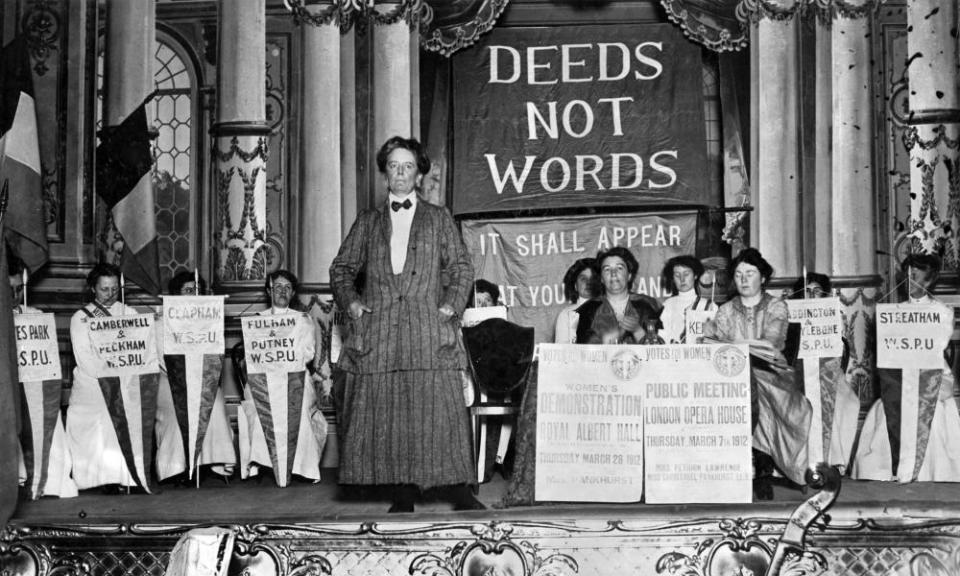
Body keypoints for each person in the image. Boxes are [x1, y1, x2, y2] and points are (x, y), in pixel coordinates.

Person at [330, 135, 480, 513]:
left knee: (441, 411)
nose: (399, 173)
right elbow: (341, 269)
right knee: (391, 413)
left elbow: (461, 267)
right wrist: (353, 305)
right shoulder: (367, 222)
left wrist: (450, 307)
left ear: (418, 176)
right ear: (384, 176)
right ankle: (402, 494)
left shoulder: (438, 218)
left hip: (429, 330)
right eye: (393, 166)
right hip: (380, 334)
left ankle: (461, 492)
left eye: (407, 166)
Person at [703, 248, 812, 498]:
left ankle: (760, 465)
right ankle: (747, 464)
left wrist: (732, 343)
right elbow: (714, 345)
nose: (743, 279)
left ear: (762, 278)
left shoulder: (777, 306)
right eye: (739, 274)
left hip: (772, 373)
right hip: (733, 376)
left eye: (750, 273)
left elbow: (772, 343)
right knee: (737, 385)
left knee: (751, 385)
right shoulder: (726, 309)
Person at [853, 254, 960, 482]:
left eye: (916, 275)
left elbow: (937, 346)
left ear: (929, 280)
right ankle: (889, 466)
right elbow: (887, 348)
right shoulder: (895, 310)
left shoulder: (942, 311)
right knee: (891, 398)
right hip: (900, 372)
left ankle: (928, 468)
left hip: (931, 373)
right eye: (907, 275)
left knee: (928, 400)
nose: (910, 280)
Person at [236, 269, 327, 485]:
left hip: (294, 378)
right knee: (259, 407)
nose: (282, 291)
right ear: (269, 290)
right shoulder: (257, 320)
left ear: (293, 292)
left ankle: (302, 466)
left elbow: (308, 354)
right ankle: (262, 461)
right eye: (278, 287)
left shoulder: (303, 320)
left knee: (301, 406)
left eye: (287, 288)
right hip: (264, 379)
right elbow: (253, 355)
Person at [66, 263, 148, 491]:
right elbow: (84, 357)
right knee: (102, 413)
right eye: (104, 289)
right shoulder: (80, 318)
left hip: (124, 377)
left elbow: (139, 348)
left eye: (114, 289)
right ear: (93, 288)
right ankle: (98, 479)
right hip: (91, 381)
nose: (110, 295)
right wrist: (112, 371)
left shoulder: (128, 313)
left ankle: (128, 476)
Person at [154, 271, 237, 484]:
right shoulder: (161, 322)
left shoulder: (209, 320)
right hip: (171, 381)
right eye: (189, 290)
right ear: (176, 294)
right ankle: (177, 467)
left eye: (198, 291)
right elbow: (163, 361)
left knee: (216, 405)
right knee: (178, 409)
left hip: (203, 381)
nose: (194, 295)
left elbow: (214, 354)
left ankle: (214, 461)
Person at [9, 260, 77, 499]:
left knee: (49, 420)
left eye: (19, 290)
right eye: (9, 291)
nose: (16, 296)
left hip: (33, 382)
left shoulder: (34, 316)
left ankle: (47, 482)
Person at [785, 272, 860, 473]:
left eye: (816, 291)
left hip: (827, 375)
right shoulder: (787, 320)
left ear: (824, 295)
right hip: (796, 375)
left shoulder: (832, 319)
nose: (811, 296)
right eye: (807, 291)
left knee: (844, 401)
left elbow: (837, 353)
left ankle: (832, 458)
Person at [574, 246, 661, 344]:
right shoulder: (587, 310)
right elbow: (583, 352)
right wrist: (612, 336)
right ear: (601, 278)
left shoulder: (648, 306)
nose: (613, 273)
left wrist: (637, 331)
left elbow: (659, 352)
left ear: (629, 276)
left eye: (619, 268)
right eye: (607, 269)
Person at [659, 255, 717, 344]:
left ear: (695, 275)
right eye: (677, 275)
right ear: (673, 279)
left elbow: (718, 339)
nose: (682, 279)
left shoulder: (710, 306)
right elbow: (662, 337)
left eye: (686, 274)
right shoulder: (667, 305)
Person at [553, 258, 598, 344]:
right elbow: (560, 350)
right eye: (583, 279)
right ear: (575, 286)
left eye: (593, 279)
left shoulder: (609, 310)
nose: (588, 283)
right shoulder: (566, 314)